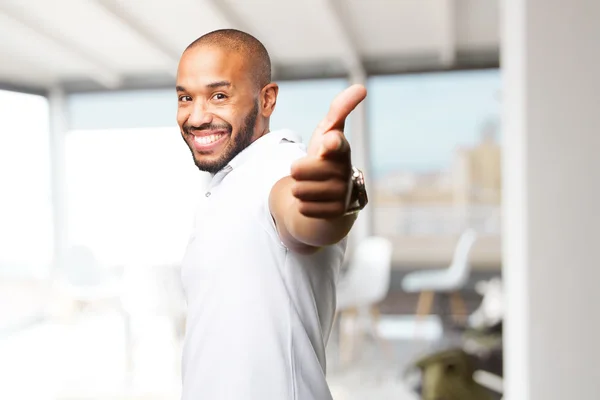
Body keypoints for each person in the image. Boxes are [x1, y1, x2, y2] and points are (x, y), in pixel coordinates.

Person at [176, 28, 368, 400]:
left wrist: (336, 198)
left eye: (219, 95)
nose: (197, 116)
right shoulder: (226, 182)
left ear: (267, 100)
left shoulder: (281, 165)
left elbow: (302, 214)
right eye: (185, 97)